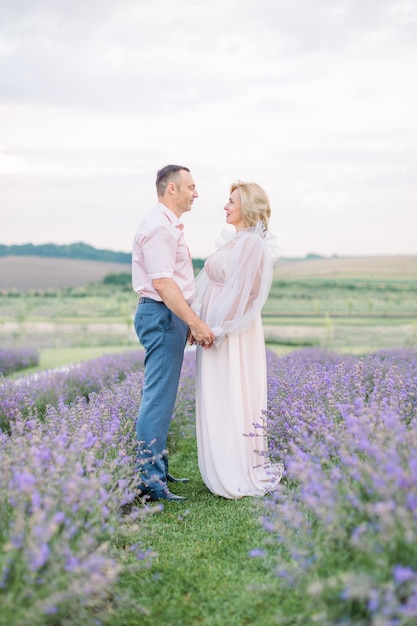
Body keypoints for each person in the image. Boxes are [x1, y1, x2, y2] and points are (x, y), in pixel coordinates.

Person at [192, 181, 283, 499]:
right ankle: (222, 461)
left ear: (247, 206)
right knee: (218, 393)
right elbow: (207, 284)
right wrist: (195, 321)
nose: (225, 206)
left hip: (233, 332)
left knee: (233, 391)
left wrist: (218, 328)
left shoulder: (252, 246)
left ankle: (237, 466)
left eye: (231, 201)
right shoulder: (232, 243)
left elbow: (249, 295)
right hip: (213, 329)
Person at [132, 164, 215, 502]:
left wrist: (186, 320)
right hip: (162, 315)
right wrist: (194, 321)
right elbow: (164, 283)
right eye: (191, 187)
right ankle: (150, 484)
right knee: (157, 399)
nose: (196, 194)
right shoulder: (159, 228)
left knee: (162, 400)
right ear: (172, 189)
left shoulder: (167, 225)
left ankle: (158, 471)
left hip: (169, 316)